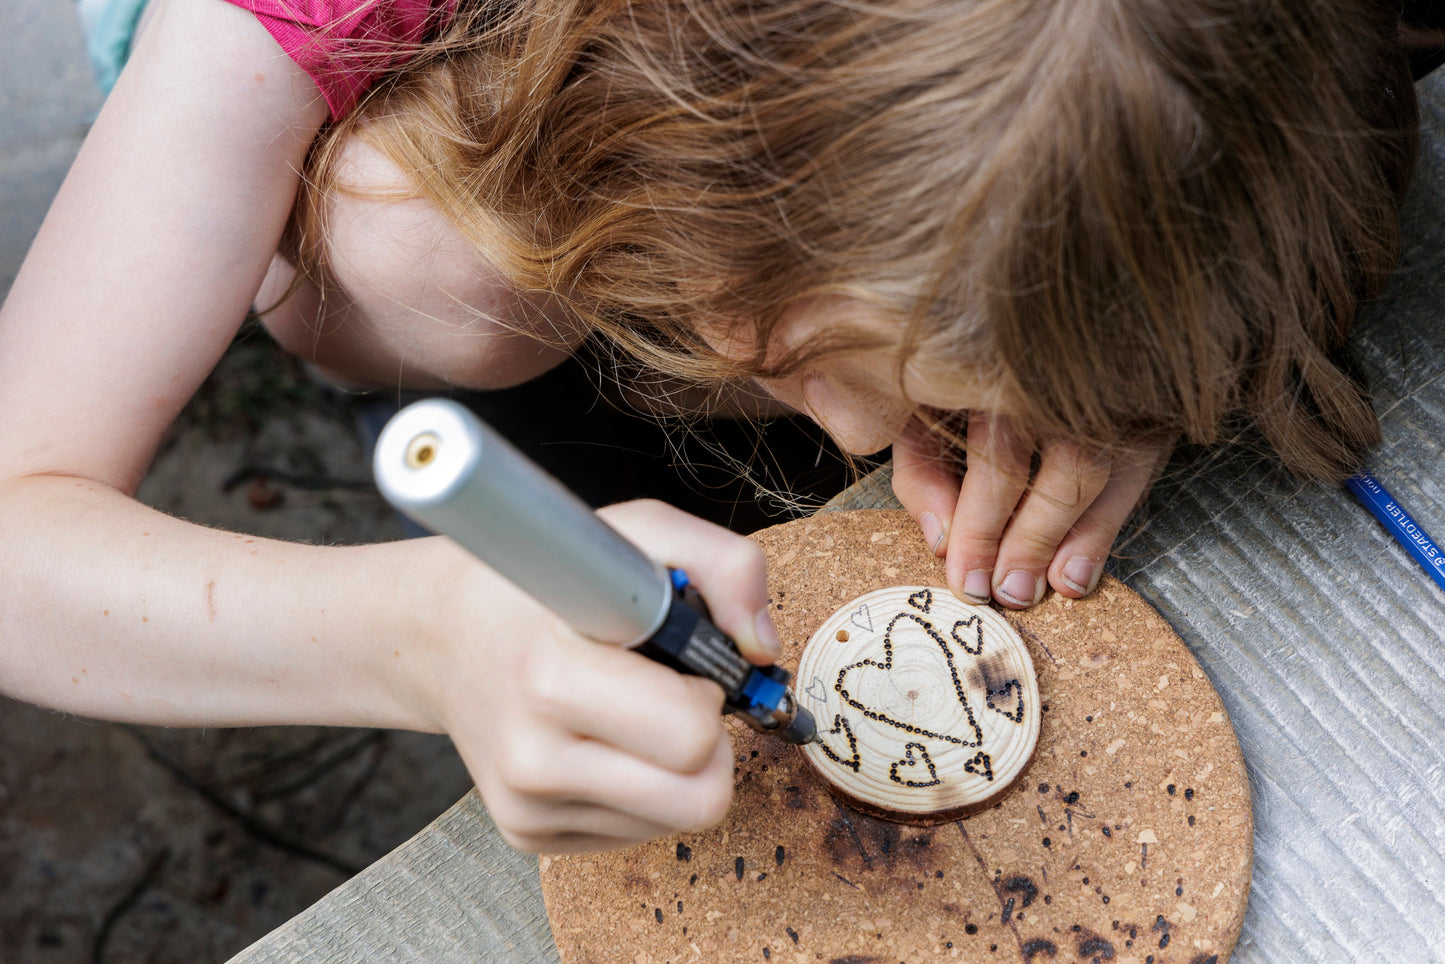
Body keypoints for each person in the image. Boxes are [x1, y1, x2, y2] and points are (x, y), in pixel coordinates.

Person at [0, 0, 1420, 853]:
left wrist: (1129, 337)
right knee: (436, 276)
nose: (870, 440)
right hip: (371, 121)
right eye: (802, 341)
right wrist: (419, 633)